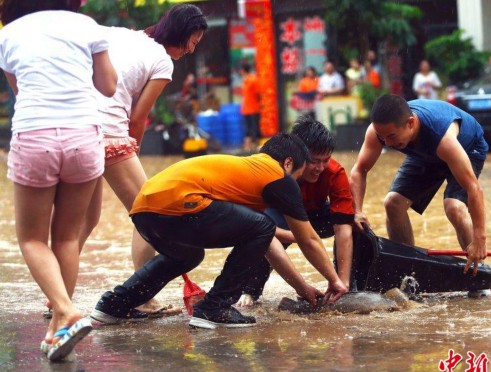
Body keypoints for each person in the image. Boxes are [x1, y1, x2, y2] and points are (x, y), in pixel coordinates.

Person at [90, 133, 349, 329]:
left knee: (188, 256)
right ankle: (215, 307)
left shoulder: (243, 174)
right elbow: (309, 239)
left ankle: (114, 305)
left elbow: (266, 241)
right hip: (179, 204)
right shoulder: (276, 174)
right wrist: (335, 281)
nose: (295, 184)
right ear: (288, 162)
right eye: (297, 176)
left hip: (145, 211)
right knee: (263, 226)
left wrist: (303, 289)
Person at [0, 0, 118, 360]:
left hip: (36, 136)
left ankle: (65, 312)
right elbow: (109, 86)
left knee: (33, 239)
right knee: (67, 236)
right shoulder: (86, 25)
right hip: (84, 136)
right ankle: (58, 326)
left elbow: (21, 92)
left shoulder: (8, 34)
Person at [79, 4, 207, 318]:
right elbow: (138, 118)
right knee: (150, 211)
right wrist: (131, 149)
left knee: (83, 221)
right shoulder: (163, 61)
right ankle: (141, 297)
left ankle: (56, 298)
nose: (191, 50)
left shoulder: (122, 36)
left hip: (78, 129)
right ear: (180, 33)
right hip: (110, 133)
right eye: (192, 41)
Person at [349, 94, 490, 297]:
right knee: (393, 203)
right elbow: (359, 170)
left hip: (467, 148)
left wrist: (480, 238)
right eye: (383, 138)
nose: (386, 143)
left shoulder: (443, 138)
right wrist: (357, 211)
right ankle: (409, 274)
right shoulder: (380, 132)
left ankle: (480, 277)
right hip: (426, 155)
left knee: (454, 207)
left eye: (392, 136)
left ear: (411, 123)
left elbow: (474, 189)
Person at [236, 115, 355, 307]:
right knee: (261, 235)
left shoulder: (334, 172)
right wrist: (297, 236)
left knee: (354, 226)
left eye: (325, 160)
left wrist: (342, 280)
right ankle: (250, 289)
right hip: (279, 215)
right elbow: (252, 223)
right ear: (297, 155)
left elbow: (342, 228)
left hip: (314, 213)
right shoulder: (275, 169)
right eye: (314, 161)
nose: (320, 168)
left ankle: (349, 286)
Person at [239, 61, 262, 152]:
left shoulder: (253, 80)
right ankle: (248, 147)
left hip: (254, 109)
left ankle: (256, 146)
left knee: (255, 129)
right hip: (246, 109)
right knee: (248, 128)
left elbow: (258, 94)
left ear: (243, 70)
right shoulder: (245, 80)